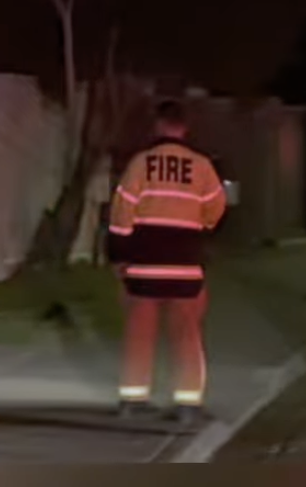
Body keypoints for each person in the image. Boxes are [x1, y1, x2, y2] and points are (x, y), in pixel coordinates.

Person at [106, 99, 227, 425]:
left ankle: (133, 399)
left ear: (158, 125)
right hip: (185, 266)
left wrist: (119, 256)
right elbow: (216, 211)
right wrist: (195, 228)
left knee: (138, 334)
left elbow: (121, 214)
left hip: (144, 265)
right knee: (187, 334)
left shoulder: (140, 164)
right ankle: (188, 404)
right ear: (184, 127)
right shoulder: (202, 166)